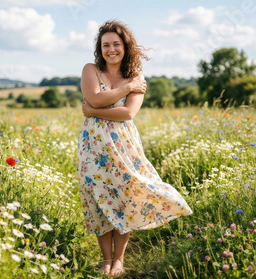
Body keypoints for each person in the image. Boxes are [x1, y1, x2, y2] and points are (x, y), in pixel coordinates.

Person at [76, 20, 193, 277]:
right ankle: (105, 260)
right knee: (98, 200)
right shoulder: (91, 70)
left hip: (123, 144)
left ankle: (119, 260)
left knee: (123, 197)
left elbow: (128, 113)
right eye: (106, 45)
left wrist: (94, 110)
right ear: (100, 48)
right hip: (92, 146)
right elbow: (95, 96)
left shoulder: (136, 77)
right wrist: (122, 91)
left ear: (125, 46)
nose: (111, 49)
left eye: (116, 44)